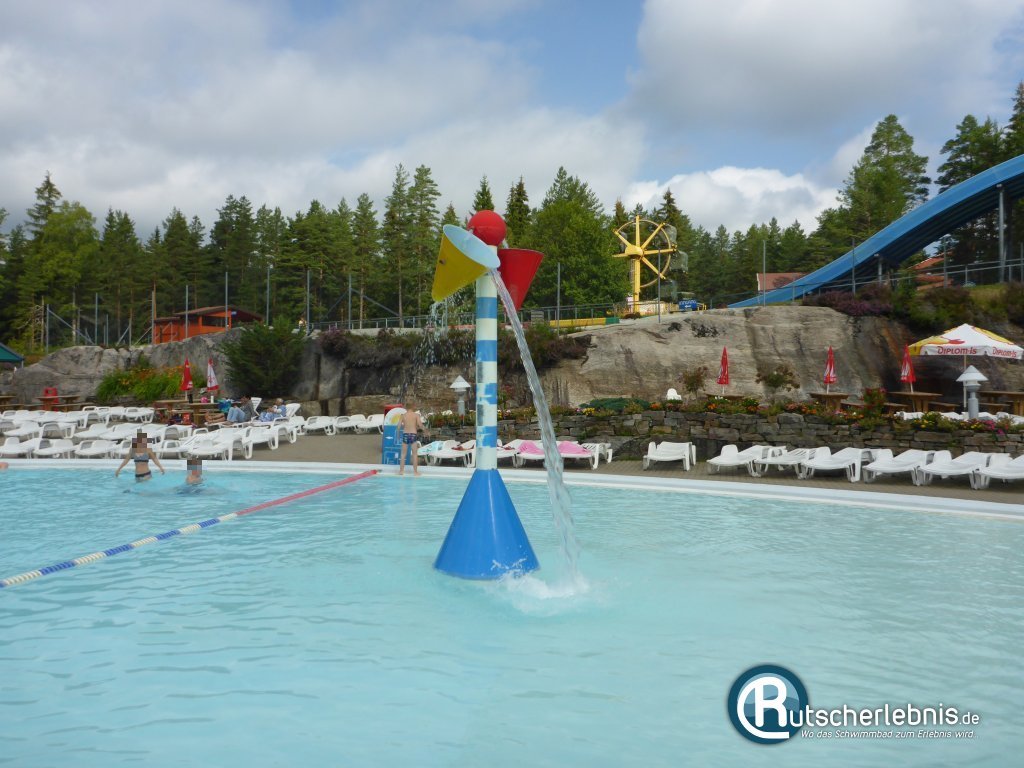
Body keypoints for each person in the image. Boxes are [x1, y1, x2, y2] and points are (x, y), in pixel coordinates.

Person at [399, 405, 425, 476]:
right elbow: (420, 425)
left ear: (406, 408)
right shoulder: (416, 415)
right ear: (413, 407)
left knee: (403, 454)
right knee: (414, 454)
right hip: (413, 435)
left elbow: (398, 426)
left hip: (405, 435)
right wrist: (425, 430)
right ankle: (415, 472)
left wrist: (398, 434)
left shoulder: (403, 415)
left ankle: (401, 471)